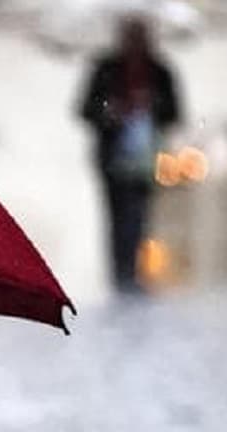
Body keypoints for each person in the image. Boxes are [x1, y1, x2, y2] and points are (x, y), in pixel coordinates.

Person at [79, 15, 181, 293]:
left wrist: (151, 105)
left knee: (140, 215)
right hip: (113, 156)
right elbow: (86, 108)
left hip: (146, 157)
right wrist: (111, 111)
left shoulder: (159, 71)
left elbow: (173, 112)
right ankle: (120, 273)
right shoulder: (106, 69)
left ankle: (136, 269)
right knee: (116, 215)